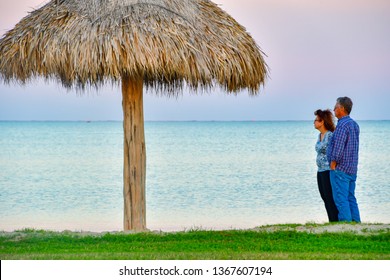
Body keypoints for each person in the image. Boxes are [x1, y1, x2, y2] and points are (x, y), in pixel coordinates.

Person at [327, 97, 361, 222]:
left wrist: (333, 163)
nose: (334, 109)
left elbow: (339, 147)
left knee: (341, 199)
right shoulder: (354, 124)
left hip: (340, 169)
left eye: (335, 107)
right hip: (352, 168)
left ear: (342, 108)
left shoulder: (342, 125)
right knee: (350, 197)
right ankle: (357, 224)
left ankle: (345, 226)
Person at [314, 109, 338, 222]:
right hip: (320, 170)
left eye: (316, 120)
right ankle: (331, 220)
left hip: (328, 171)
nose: (314, 122)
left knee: (329, 197)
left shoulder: (330, 135)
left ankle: (334, 220)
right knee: (324, 197)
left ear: (322, 121)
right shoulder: (320, 135)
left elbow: (335, 151)